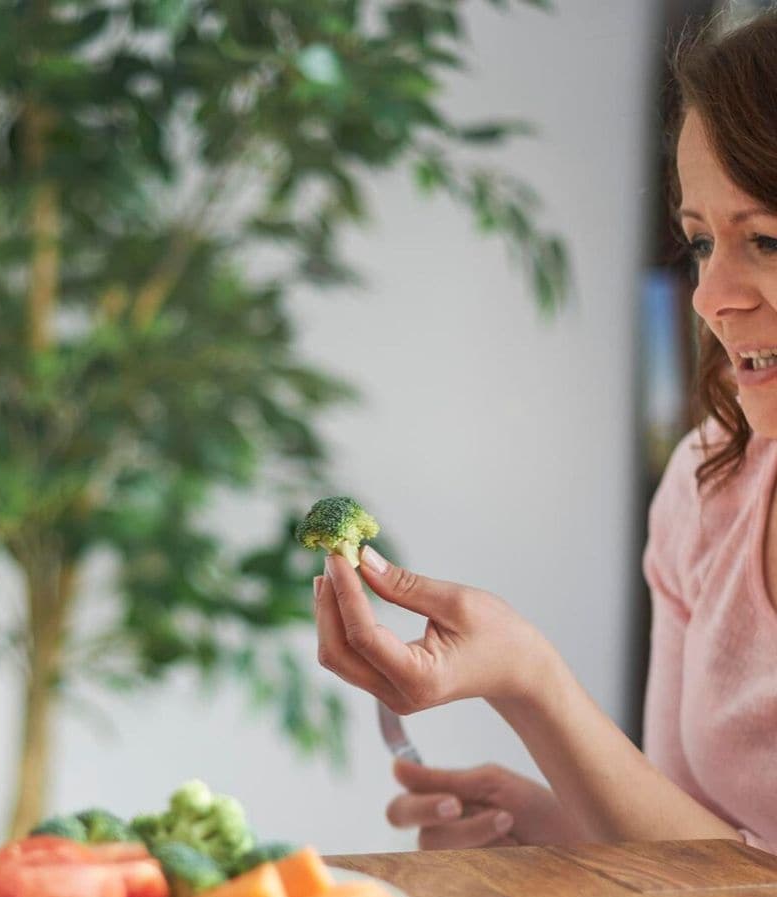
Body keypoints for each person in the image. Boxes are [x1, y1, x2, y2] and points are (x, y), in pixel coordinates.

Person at [314, 10, 777, 853]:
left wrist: (529, 682)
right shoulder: (709, 481)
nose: (712, 297)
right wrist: (547, 831)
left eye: (767, 241)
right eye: (702, 242)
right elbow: (698, 862)